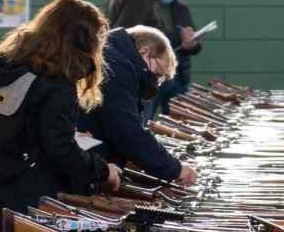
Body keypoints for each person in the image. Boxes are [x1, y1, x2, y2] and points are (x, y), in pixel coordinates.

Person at [0, 0, 121, 232]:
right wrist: (102, 170)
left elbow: (20, 123)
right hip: (32, 193)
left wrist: (67, 132)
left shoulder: (9, 65)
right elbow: (59, 148)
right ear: (81, 41)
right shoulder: (55, 82)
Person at [78, 25, 198, 187]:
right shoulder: (116, 67)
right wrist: (175, 169)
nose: (156, 82)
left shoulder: (113, 58)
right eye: (158, 74)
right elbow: (127, 131)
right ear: (144, 52)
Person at [148, 0, 201, 118]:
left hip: (179, 73)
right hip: (153, 74)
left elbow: (194, 45)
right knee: (145, 118)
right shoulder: (147, 8)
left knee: (179, 119)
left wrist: (192, 44)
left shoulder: (181, 8)